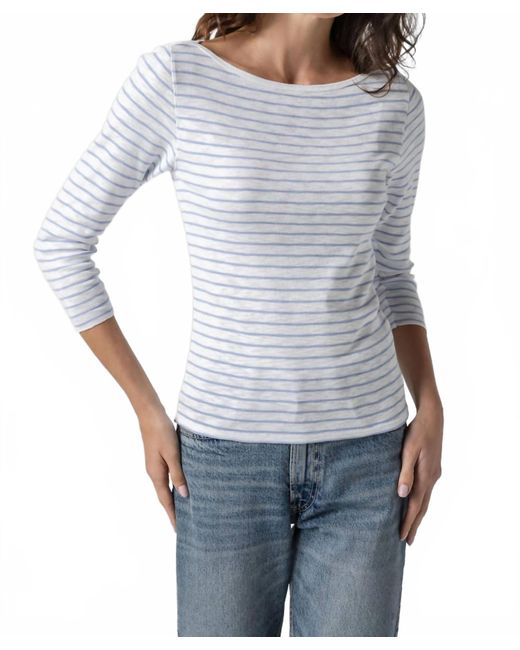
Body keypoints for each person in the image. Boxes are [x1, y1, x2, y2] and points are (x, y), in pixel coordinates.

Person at [33, 13, 444, 637]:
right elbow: (61, 242)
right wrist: (146, 409)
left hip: (369, 459)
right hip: (225, 460)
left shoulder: (394, 104)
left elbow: (390, 271)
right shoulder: (179, 77)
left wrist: (431, 403)